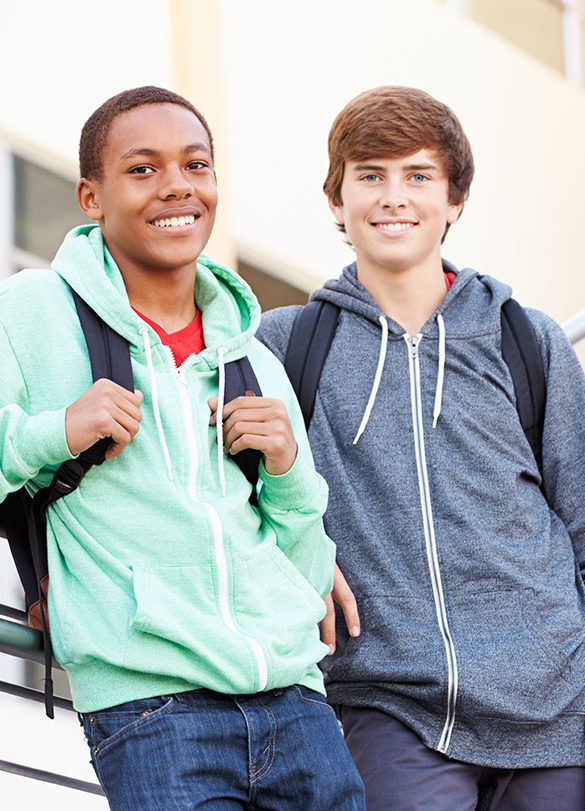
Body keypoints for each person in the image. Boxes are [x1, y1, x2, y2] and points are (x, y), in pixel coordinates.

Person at [256, 86, 585, 811]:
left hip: (553, 719)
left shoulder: (526, 342)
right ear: (336, 201)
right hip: (390, 707)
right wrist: (299, 551)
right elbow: (225, 504)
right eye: (369, 176)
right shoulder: (288, 347)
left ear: (455, 199)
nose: (392, 198)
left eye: (417, 176)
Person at [0, 86, 364, 810]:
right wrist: (59, 430)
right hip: (153, 708)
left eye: (196, 165)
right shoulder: (34, 309)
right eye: (142, 169)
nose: (177, 186)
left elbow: (304, 556)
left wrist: (288, 471)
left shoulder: (252, 355)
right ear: (90, 196)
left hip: (295, 703)